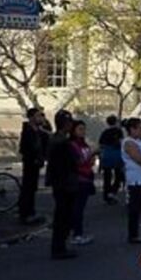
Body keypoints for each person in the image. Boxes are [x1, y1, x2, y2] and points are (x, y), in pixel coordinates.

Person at [47, 111, 78, 259]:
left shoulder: (57, 139)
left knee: (63, 215)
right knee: (63, 216)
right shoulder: (61, 142)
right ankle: (59, 247)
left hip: (61, 183)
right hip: (64, 184)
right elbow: (69, 164)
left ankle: (60, 245)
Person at [17, 106, 48, 225]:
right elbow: (26, 148)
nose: (41, 118)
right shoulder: (28, 131)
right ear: (31, 118)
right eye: (38, 116)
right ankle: (26, 213)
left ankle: (30, 211)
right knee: (28, 187)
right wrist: (34, 157)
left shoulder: (39, 131)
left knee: (32, 188)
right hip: (30, 162)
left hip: (36, 162)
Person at [69, 120, 97, 246]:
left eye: (84, 129)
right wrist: (91, 153)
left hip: (87, 177)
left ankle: (77, 232)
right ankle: (76, 234)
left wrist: (92, 157)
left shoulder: (84, 144)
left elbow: (89, 162)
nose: (83, 132)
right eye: (80, 129)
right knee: (77, 208)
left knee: (80, 207)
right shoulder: (73, 145)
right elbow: (79, 161)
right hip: (78, 179)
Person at [98, 115, 125, 204]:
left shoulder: (104, 132)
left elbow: (101, 144)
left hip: (107, 155)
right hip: (117, 155)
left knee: (107, 177)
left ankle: (106, 195)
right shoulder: (118, 131)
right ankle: (113, 191)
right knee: (118, 175)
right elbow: (121, 142)